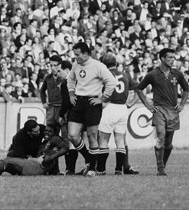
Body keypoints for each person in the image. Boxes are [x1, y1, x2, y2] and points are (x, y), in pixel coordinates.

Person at [135, 48, 189, 176]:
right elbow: (138, 89)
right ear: (162, 58)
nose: (172, 60)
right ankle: (160, 169)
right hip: (159, 109)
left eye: (173, 57)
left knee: (168, 143)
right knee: (161, 135)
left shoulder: (177, 74)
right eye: (169, 57)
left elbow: (186, 89)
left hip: (173, 110)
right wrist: (148, 105)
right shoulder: (153, 74)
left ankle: (162, 166)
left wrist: (182, 104)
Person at [66, 42, 117, 177]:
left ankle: (92, 169)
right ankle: (89, 158)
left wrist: (103, 99)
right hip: (78, 101)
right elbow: (70, 79)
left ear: (86, 54)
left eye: (78, 55)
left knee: (92, 136)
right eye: (75, 55)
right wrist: (71, 94)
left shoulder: (98, 66)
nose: (76, 58)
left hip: (92, 103)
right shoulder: (76, 65)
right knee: (72, 135)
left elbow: (112, 82)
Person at [0, 124, 69, 176]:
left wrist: (51, 157)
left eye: (49, 131)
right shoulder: (45, 141)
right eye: (45, 130)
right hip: (35, 164)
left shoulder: (55, 139)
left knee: (7, 161)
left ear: (54, 133)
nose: (46, 132)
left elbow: (66, 147)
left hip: (38, 167)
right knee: (8, 165)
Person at [97, 53, 140, 175]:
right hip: (122, 108)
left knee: (103, 140)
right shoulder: (126, 75)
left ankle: (101, 169)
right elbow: (140, 88)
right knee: (120, 141)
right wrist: (131, 103)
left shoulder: (104, 75)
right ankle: (118, 169)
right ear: (115, 63)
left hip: (109, 107)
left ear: (104, 64)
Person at [57, 60, 79, 175]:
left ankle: (70, 169)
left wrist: (61, 115)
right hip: (85, 112)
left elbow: (66, 102)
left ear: (66, 70)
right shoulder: (80, 79)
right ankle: (90, 167)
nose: (58, 73)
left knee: (71, 141)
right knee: (86, 140)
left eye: (60, 70)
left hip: (73, 114)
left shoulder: (66, 83)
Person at [40, 55, 64, 135]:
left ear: (60, 66)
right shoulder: (48, 78)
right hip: (51, 108)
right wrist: (44, 102)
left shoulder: (65, 78)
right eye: (51, 65)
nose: (53, 68)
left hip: (62, 108)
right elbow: (42, 91)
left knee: (65, 132)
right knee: (50, 132)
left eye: (55, 65)